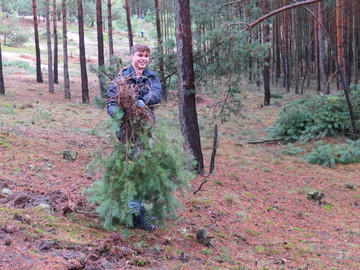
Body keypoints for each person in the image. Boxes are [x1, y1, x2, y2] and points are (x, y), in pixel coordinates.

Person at [106, 44, 162, 231]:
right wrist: (120, 113)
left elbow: (156, 95)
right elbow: (111, 104)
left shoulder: (151, 77)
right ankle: (126, 211)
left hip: (144, 132)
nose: (143, 58)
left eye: (146, 56)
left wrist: (141, 102)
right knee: (127, 172)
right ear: (132, 56)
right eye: (140, 55)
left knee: (140, 172)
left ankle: (137, 214)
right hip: (126, 134)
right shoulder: (122, 78)